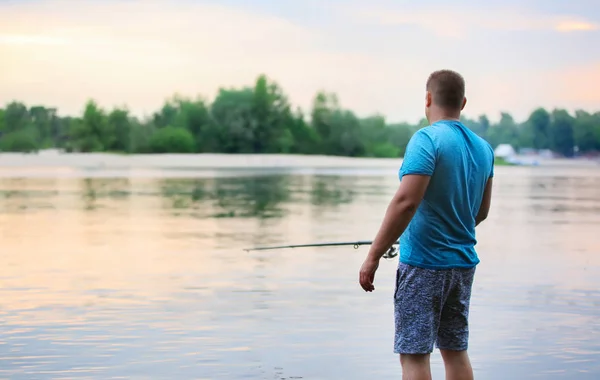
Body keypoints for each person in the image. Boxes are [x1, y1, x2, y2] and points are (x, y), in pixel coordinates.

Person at [359, 69, 494, 380]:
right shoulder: (483, 148)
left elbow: (406, 203)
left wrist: (373, 255)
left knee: (415, 355)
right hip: (462, 266)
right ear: (462, 102)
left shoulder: (427, 139)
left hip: (424, 266)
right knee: (455, 349)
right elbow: (481, 212)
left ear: (428, 99)